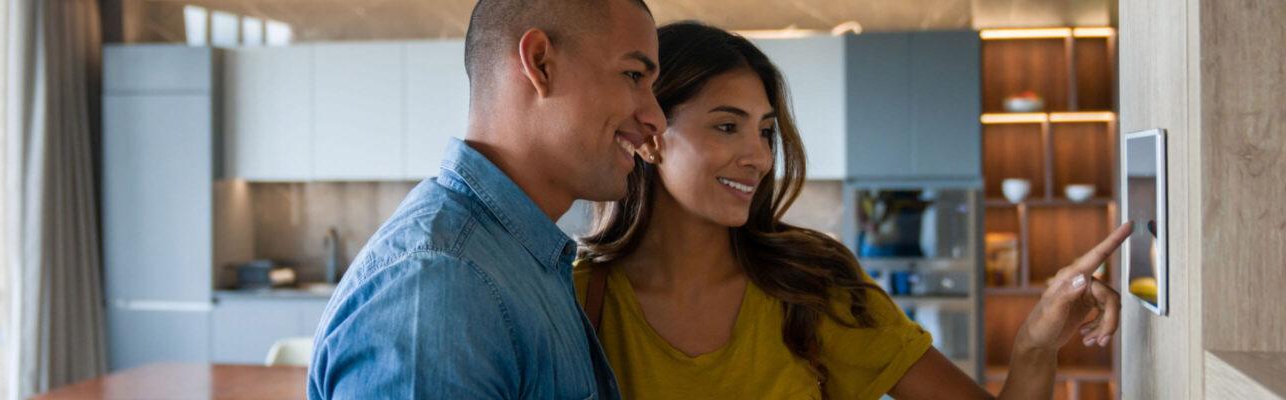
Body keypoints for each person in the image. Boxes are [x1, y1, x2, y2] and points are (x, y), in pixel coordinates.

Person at [574, 21, 1132, 399]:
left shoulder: (810, 282)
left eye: (766, 132)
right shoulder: (579, 299)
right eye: (727, 126)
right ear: (651, 136)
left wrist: (1035, 340)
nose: (759, 156)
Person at [306, 0, 664, 398]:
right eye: (633, 75)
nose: (656, 119)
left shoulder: (513, 261)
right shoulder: (440, 287)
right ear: (540, 63)